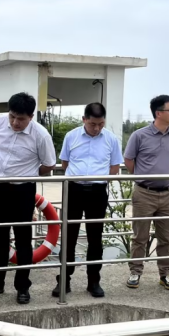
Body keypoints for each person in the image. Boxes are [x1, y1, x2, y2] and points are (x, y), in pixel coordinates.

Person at [0, 92, 57, 304]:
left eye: (20, 119)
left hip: (23, 190)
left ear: (31, 117)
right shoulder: (0, 123)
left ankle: (23, 286)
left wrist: (28, 174)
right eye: (12, 116)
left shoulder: (41, 135)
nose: (15, 122)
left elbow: (49, 164)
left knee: (23, 239)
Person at [56, 102, 123, 298]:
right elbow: (65, 163)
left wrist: (99, 180)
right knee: (69, 235)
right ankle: (64, 279)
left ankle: (93, 281)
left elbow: (114, 167)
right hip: (74, 189)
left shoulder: (111, 139)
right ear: (84, 119)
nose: (97, 128)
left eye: (101, 124)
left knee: (95, 237)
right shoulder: (71, 136)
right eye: (93, 124)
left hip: (97, 191)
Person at [124, 95, 169, 291]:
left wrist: (167, 173)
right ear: (159, 113)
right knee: (139, 236)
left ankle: (165, 274)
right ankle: (135, 272)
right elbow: (129, 160)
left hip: (168, 194)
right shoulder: (139, 135)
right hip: (144, 193)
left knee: (166, 238)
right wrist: (142, 177)